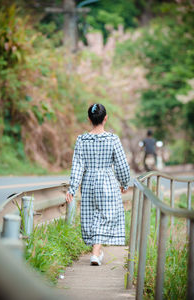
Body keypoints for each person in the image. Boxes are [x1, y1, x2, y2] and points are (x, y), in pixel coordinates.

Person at [65, 103, 130, 266]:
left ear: (89, 119)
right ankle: (95, 252)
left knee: (91, 215)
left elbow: (78, 165)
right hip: (107, 181)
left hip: (88, 182)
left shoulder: (81, 139)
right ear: (105, 118)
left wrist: (72, 188)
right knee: (106, 215)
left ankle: (96, 251)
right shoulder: (113, 139)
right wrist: (124, 182)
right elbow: (122, 165)